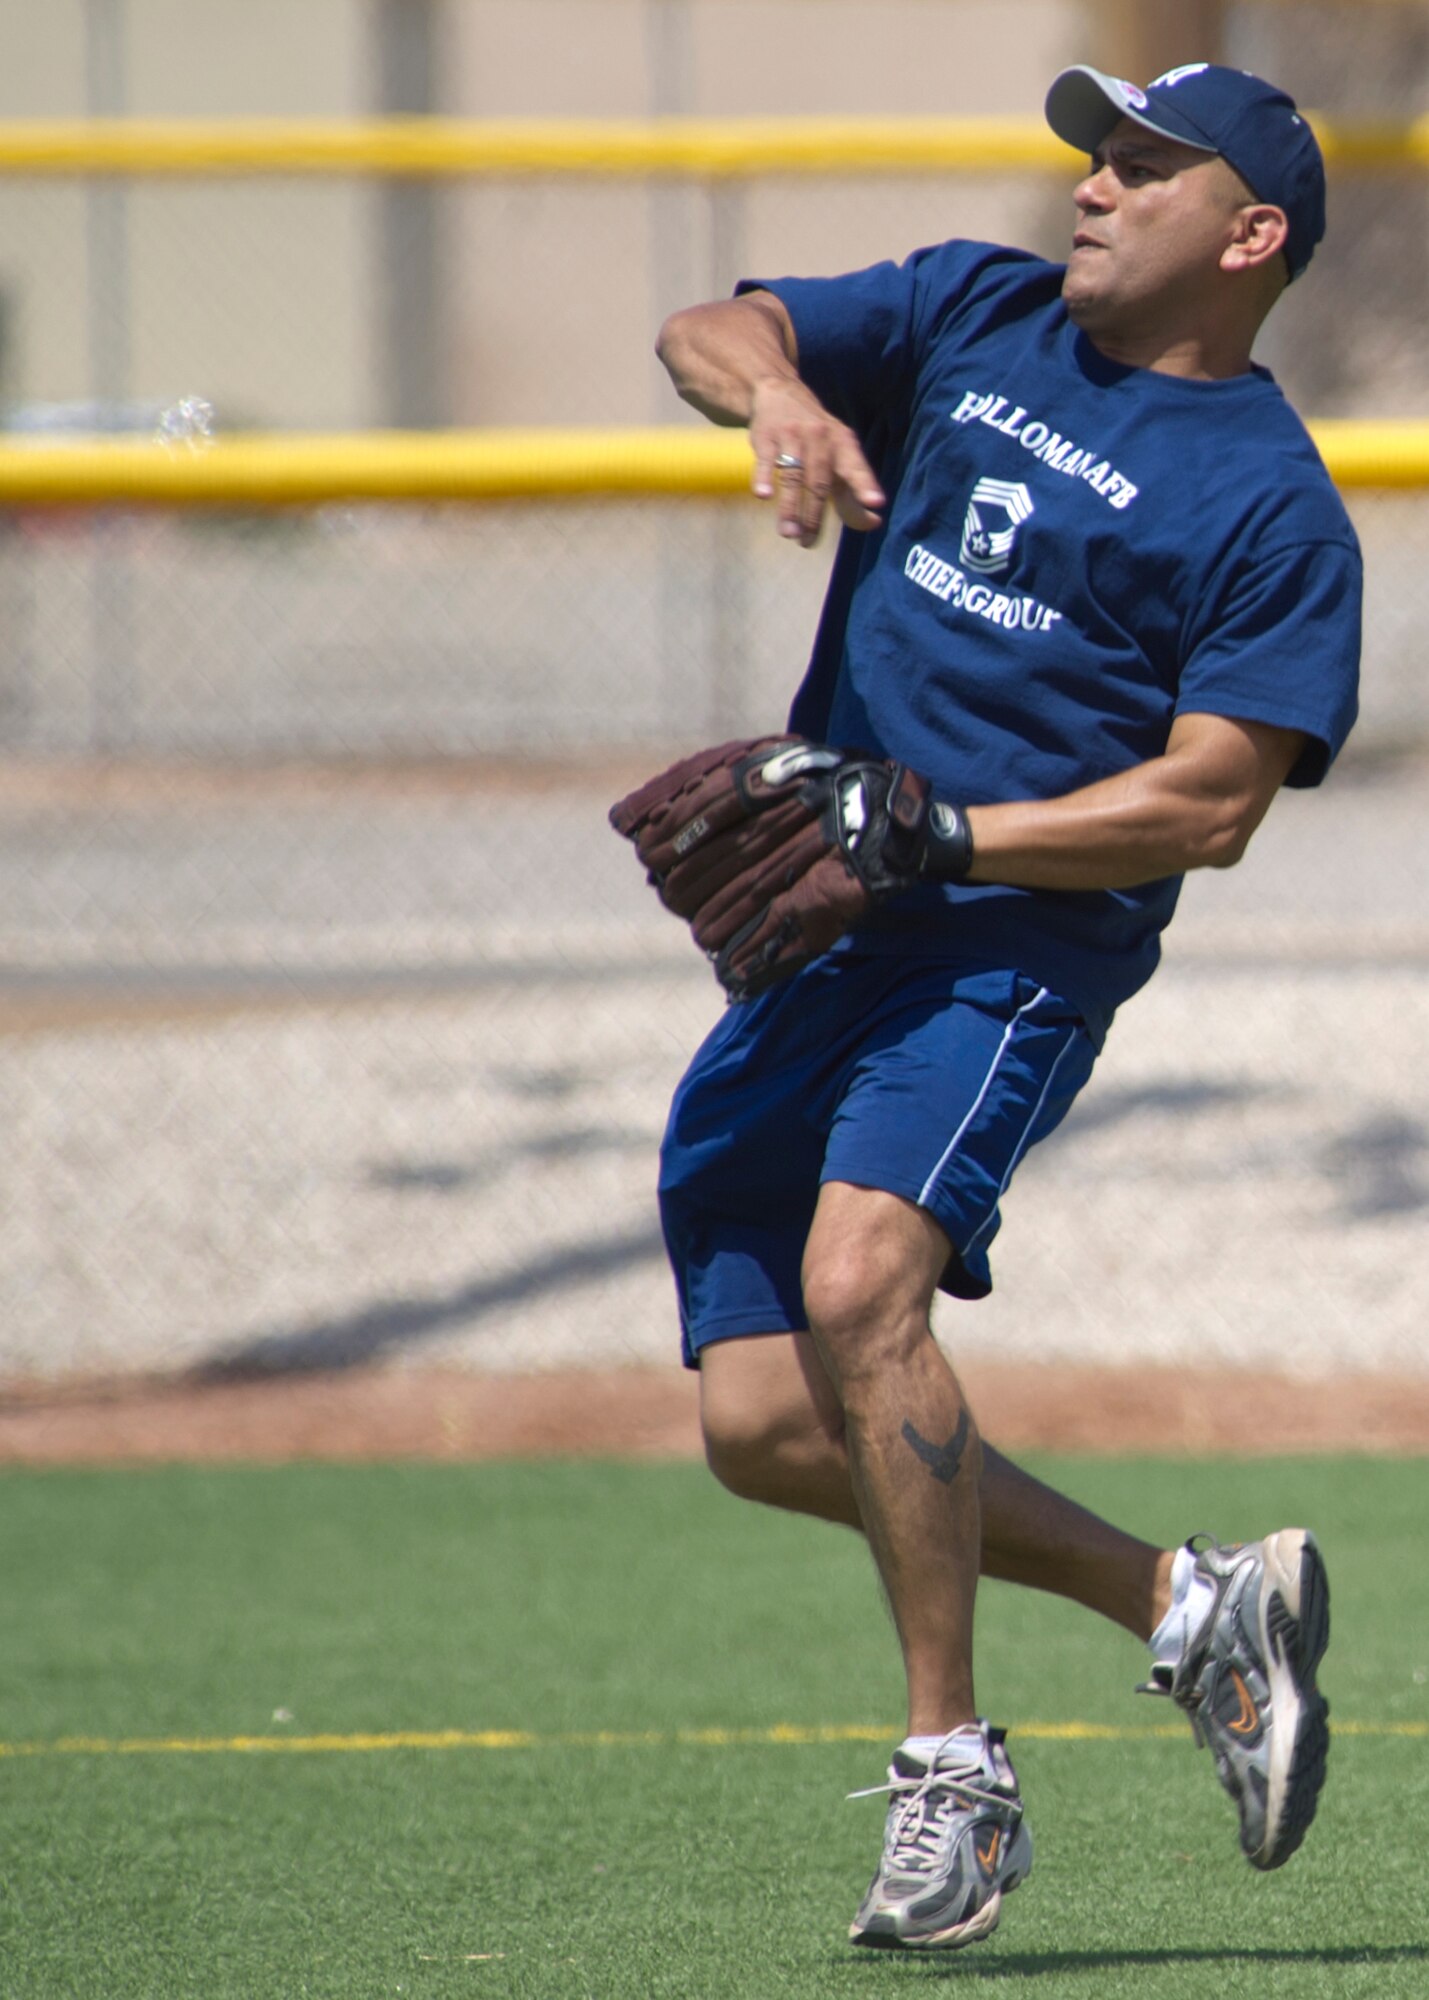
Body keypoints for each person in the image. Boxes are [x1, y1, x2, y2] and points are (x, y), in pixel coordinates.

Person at [651, 60, 1360, 1954]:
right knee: (756, 1422)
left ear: (1250, 233)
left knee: (860, 1282)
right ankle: (1184, 1605)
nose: (1096, 185)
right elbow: (707, 324)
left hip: (1004, 947)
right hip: (826, 927)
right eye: (1094, 154)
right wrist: (785, 392)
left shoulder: (1272, 509)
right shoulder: (974, 308)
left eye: (1144, 164)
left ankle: (949, 1779)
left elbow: (1207, 801)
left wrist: (948, 832)